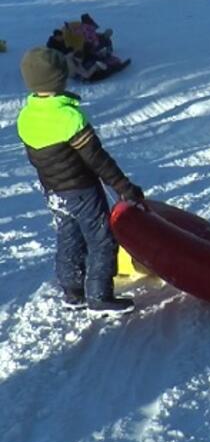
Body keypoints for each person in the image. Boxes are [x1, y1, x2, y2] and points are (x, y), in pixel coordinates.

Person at [16, 47, 143, 314]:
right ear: (59, 79)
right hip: (81, 190)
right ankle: (99, 296)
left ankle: (72, 291)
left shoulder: (26, 117)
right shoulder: (69, 117)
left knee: (68, 235)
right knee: (101, 239)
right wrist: (124, 188)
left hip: (53, 190)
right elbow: (97, 160)